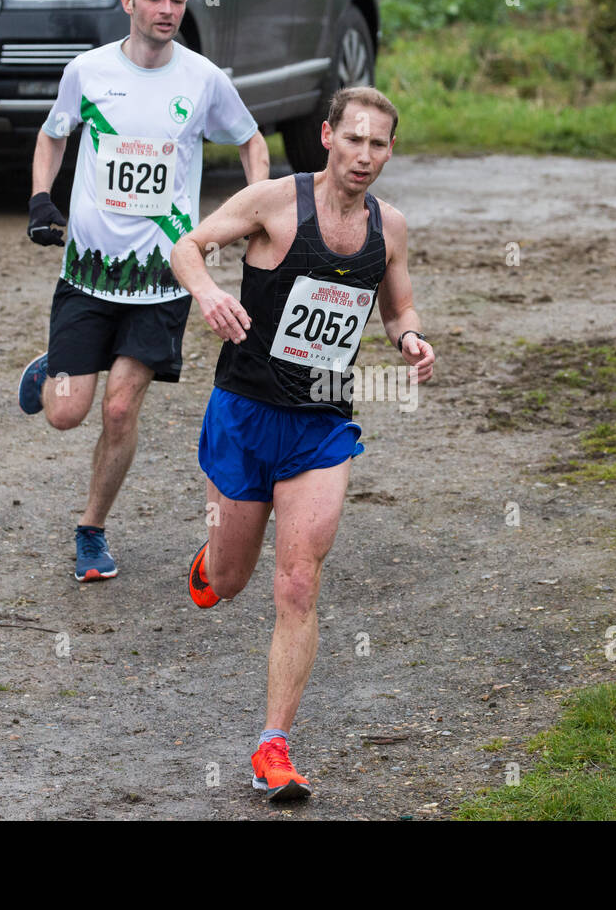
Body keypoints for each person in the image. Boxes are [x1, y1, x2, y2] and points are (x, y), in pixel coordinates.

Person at [169, 86, 435, 801]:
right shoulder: (272, 203)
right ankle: (213, 559)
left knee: (298, 581)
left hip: (321, 425)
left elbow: (397, 300)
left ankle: (272, 746)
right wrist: (209, 294)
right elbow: (186, 245)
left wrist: (408, 335)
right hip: (245, 414)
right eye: (354, 140)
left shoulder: (391, 227)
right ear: (326, 136)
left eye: (379, 145)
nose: (365, 156)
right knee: (230, 581)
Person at [18, 0, 269, 582]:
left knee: (120, 410)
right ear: (128, 2)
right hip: (89, 274)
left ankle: (91, 530)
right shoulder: (88, 71)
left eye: (177, 1)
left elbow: (251, 140)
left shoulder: (204, 79)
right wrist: (41, 197)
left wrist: (253, 211)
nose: (167, 11)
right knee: (66, 412)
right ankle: (52, 368)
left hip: (163, 278)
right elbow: (54, 133)